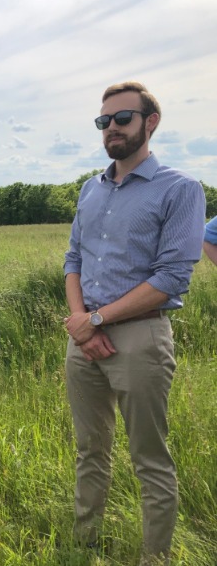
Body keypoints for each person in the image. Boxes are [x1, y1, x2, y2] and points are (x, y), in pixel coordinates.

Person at [63, 81, 206, 565]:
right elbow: (74, 259)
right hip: (83, 339)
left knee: (149, 456)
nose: (111, 129)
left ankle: (155, 558)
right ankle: (85, 545)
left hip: (141, 336)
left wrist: (96, 319)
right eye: (103, 121)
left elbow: (171, 277)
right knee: (89, 450)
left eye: (122, 119)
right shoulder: (90, 188)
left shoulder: (180, 189)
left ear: (151, 122)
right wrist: (83, 322)